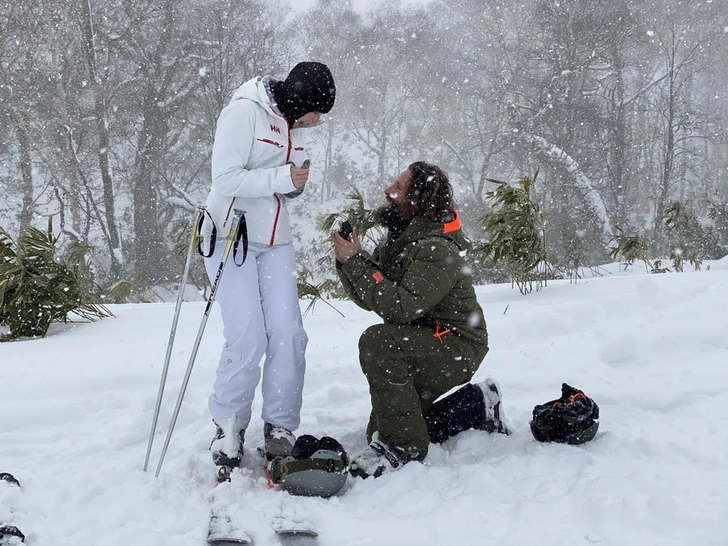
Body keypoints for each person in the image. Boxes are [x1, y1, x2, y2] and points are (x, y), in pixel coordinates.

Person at [331, 162, 509, 479]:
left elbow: (399, 307)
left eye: (398, 187)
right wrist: (349, 262)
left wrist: (359, 264)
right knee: (386, 422)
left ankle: (402, 449)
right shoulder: (404, 238)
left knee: (378, 341)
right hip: (424, 341)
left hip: (457, 346)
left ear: (417, 200)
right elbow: (373, 296)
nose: (389, 191)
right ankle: (478, 404)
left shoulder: (436, 248)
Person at [201, 62, 336, 470]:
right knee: (248, 337)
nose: (318, 120)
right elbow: (225, 179)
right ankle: (228, 425)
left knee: (289, 333)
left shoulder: (293, 124)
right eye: (318, 111)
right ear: (301, 100)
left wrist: (294, 185)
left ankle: (279, 427)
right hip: (230, 235)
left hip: (276, 241)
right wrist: (281, 179)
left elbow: (283, 183)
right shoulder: (244, 111)